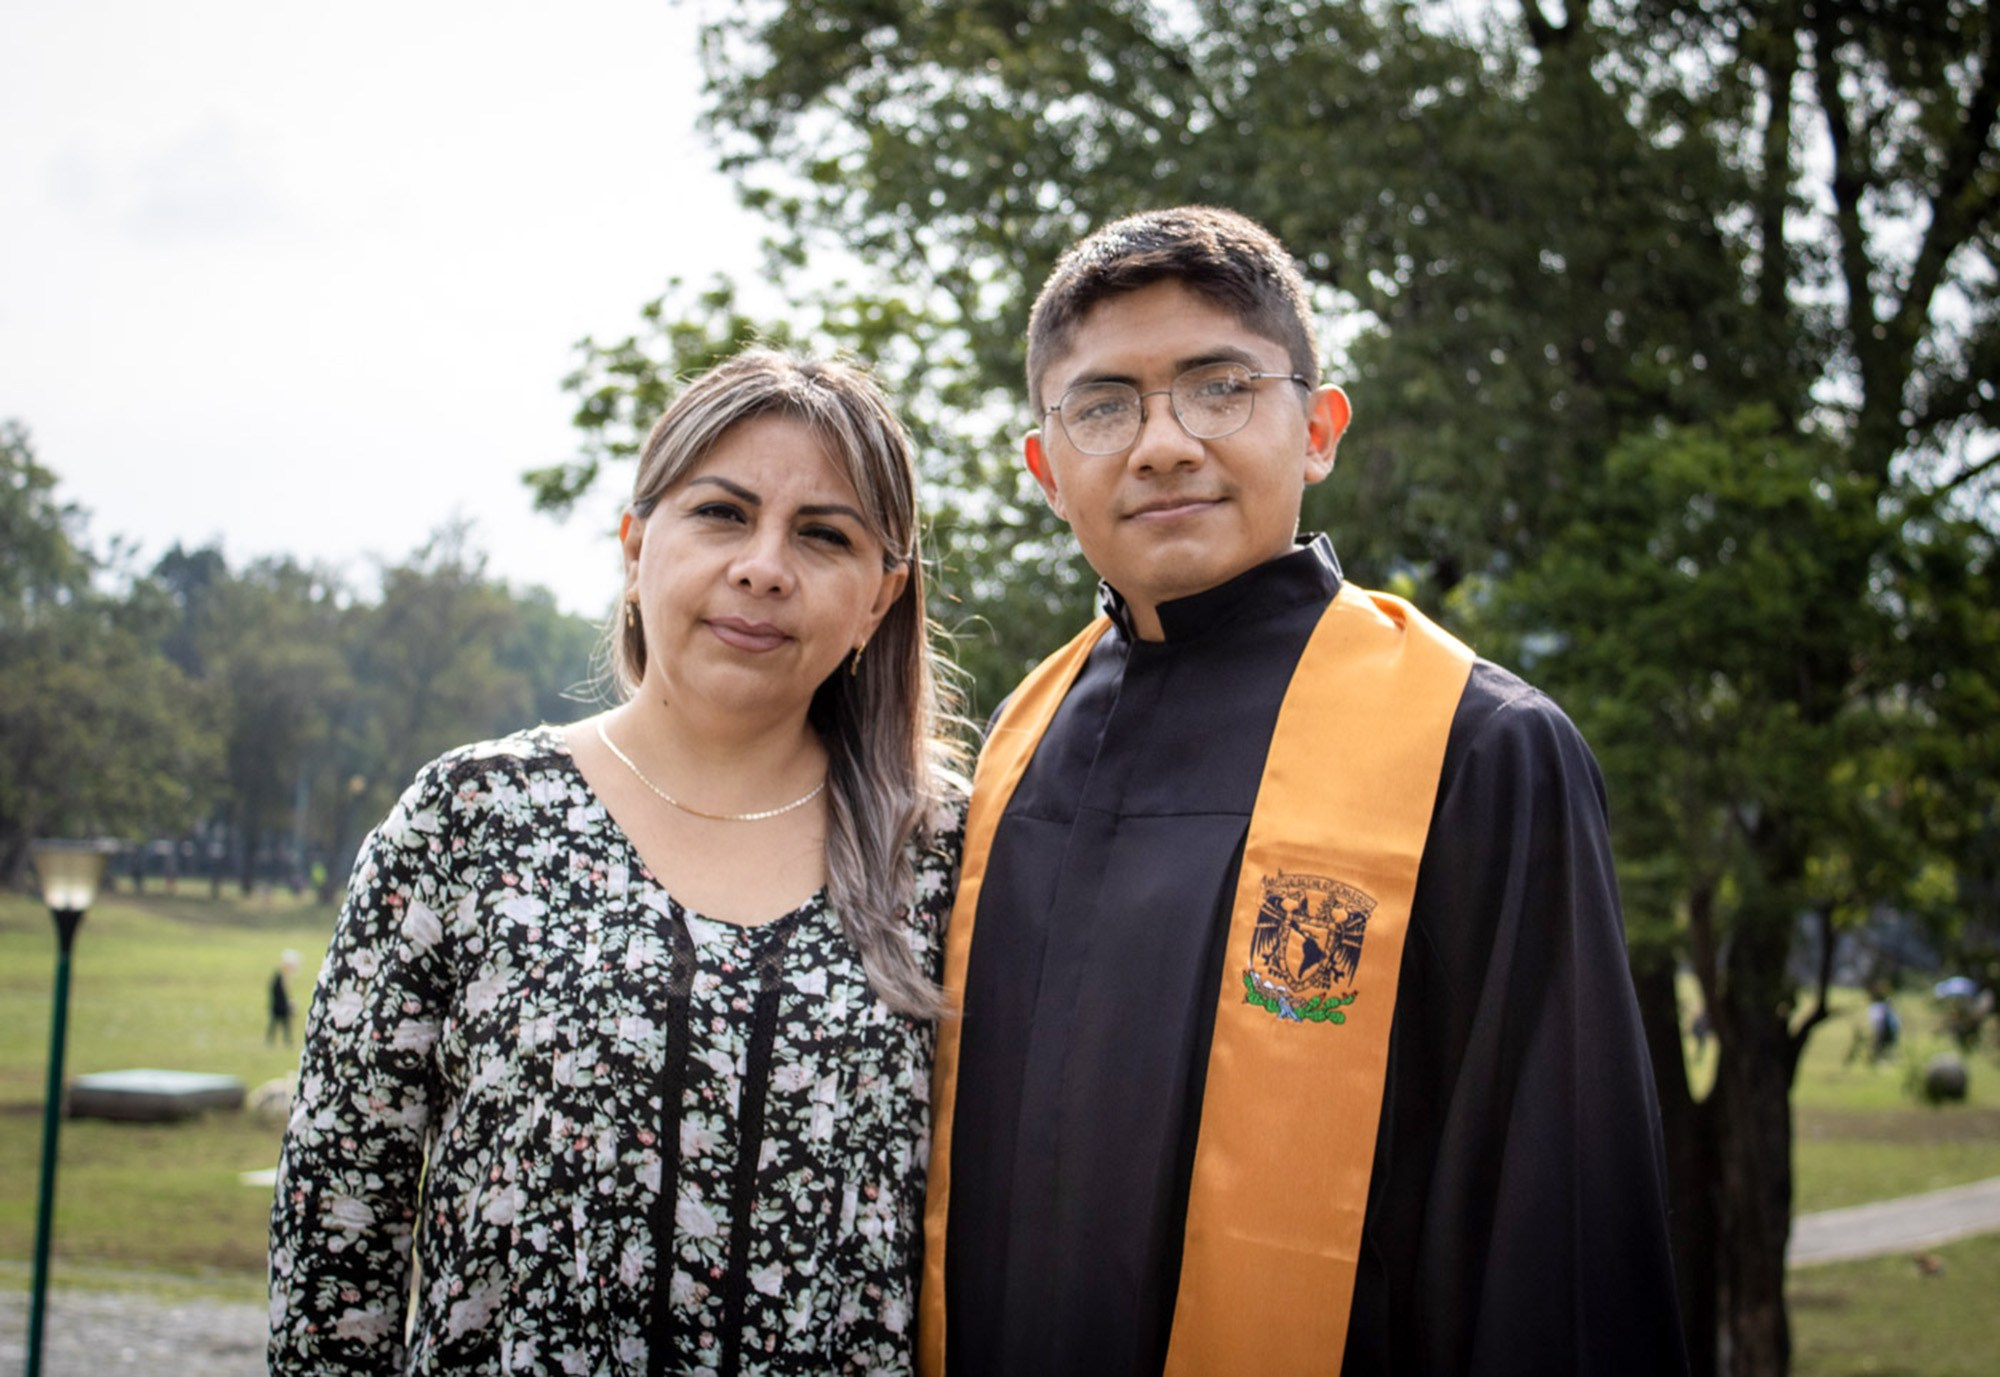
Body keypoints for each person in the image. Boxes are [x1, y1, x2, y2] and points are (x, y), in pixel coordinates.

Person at [918, 207, 1687, 1374]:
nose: (1161, 443)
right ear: (1044, 468)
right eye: (1103, 405)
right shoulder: (1016, 747)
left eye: (1217, 386)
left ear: (1318, 429)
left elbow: (1558, 1239)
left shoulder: (1476, 748)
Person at [270, 350, 965, 1374]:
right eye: (722, 513)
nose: (763, 565)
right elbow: (340, 1213)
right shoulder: (468, 821)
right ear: (635, 546)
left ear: (877, 598)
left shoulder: (949, 859)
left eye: (823, 535)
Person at [266, 948, 299, 1045]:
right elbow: (278, 992)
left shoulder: (281, 976)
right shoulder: (279, 976)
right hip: (279, 1005)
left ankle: (285, 1040)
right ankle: (280, 1040)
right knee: (278, 1023)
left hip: (280, 1005)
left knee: (281, 1024)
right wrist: (286, 1004)